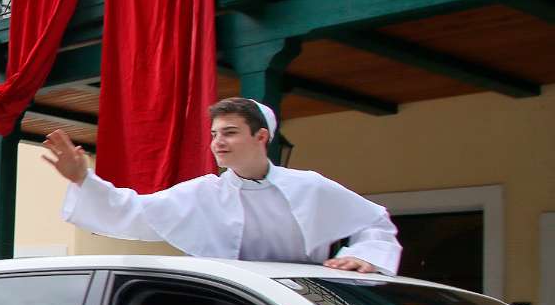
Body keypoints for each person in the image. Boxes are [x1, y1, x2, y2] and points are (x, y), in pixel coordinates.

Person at [44, 97, 402, 274]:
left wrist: (363, 258)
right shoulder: (203, 193)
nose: (217, 142)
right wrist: (83, 179)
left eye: (229, 133)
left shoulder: (310, 187)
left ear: (261, 136)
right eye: (214, 134)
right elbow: (133, 211)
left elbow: (375, 223)